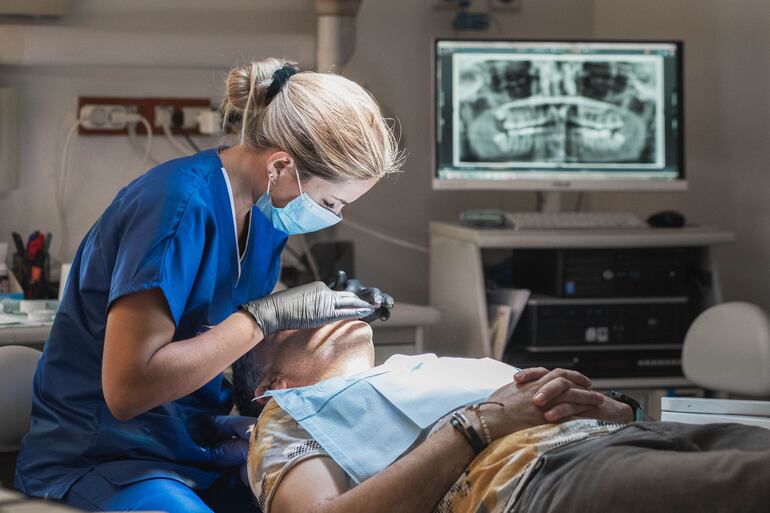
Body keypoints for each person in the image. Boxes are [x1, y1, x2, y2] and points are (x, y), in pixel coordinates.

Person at [14, 57, 402, 513]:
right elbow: (126, 390)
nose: (333, 217)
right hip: (104, 459)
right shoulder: (176, 207)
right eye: (330, 201)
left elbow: (210, 333)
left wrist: (311, 315)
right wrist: (266, 317)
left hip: (191, 447)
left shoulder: (266, 218)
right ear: (280, 164)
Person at [241, 321, 770, 513]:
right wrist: (478, 426)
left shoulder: (428, 368)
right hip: (542, 480)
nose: (314, 312)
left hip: (639, 434)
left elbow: (586, 406)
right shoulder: (288, 415)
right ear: (270, 385)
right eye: (288, 323)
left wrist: (615, 408)